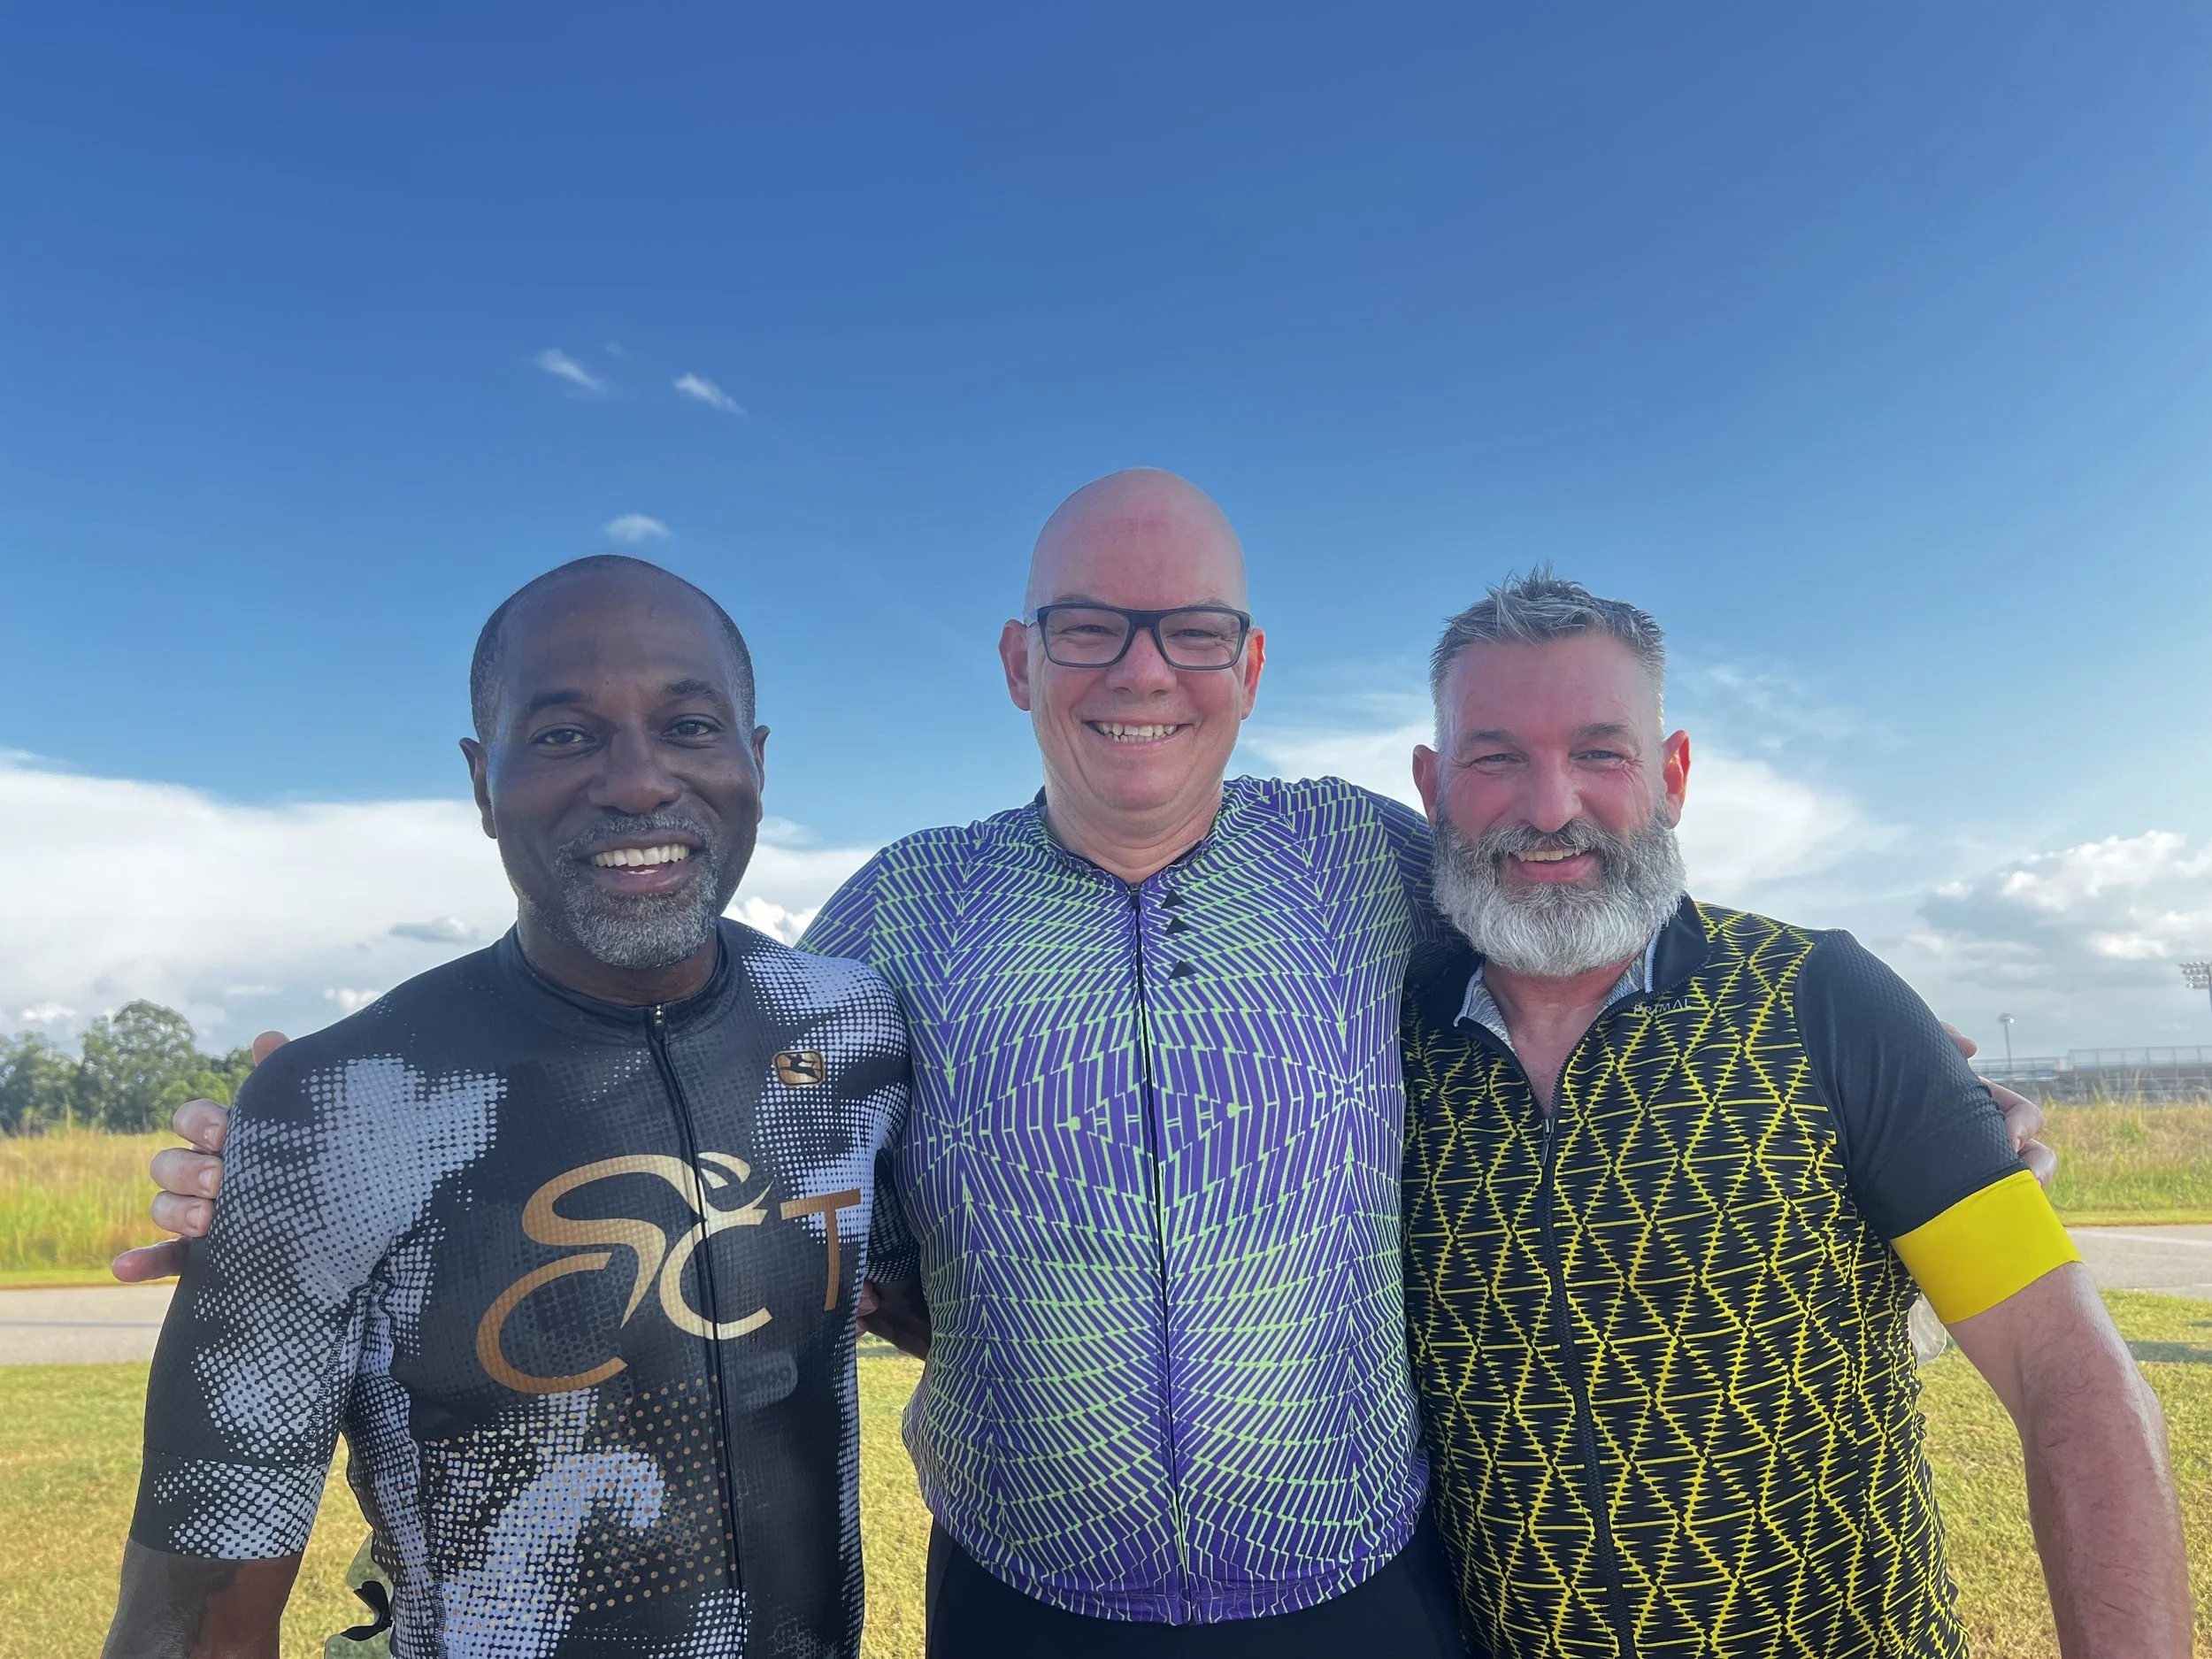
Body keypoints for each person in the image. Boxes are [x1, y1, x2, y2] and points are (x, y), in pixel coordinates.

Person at [123, 472, 2053, 1657]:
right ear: (1017, 661)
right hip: (1023, 1602)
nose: (1143, 669)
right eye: (1090, 628)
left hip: (1359, 1594)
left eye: (1190, 629)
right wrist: (303, 1146)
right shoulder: (900, 910)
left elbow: (1574, 896)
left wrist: (1884, 1060)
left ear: (1251, 663)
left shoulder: (1370, 863)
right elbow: (688, 1058)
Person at [104, 557, 911, 1659]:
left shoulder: (851, 1028)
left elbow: (933, 1302)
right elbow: (192, 1616)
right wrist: (270, 1189)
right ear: (483, 782)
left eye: (688, 727)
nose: (638, 783)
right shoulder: (341, 1109)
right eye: (565, 735)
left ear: (754, 759)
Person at [1398, 573, 2191, 1658]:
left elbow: (2070, 1378)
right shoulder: (1380, 1050)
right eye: (1495, 758)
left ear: (1671, 775)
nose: (1548, 807)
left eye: (1600, 753)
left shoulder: (1824, 1002)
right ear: (1432, 785)